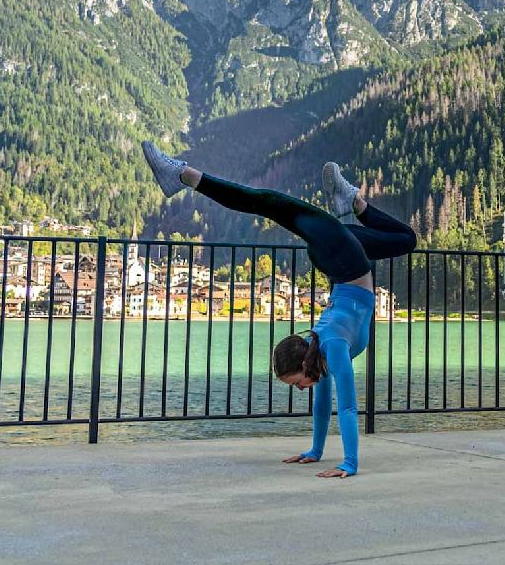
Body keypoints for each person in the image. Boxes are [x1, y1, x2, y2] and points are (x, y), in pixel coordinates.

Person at [142, 142, 417, 478]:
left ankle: (182, 174)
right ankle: (347, 203)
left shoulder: (326, 347)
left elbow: (338, 407)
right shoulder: (328, 352)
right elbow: (335, 406)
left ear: (304, 363)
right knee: (274, 205)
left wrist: (340, 461)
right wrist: (324, 455)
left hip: (344, 259)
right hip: (343, 260)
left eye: (296, 383)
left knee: (404, 239)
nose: (300, 388)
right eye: (297, 385)